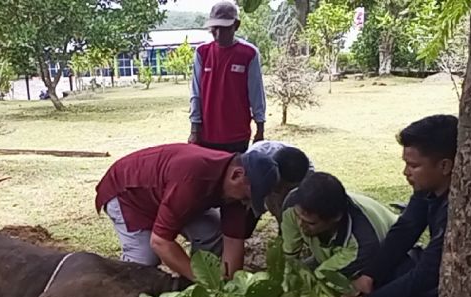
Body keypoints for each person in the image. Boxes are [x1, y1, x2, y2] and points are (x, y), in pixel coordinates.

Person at [345, 115, 457, 297]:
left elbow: (428, 273)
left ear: (445, 166)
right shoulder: (427, 191)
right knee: (390, 273)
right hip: (441, 273)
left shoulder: (458, 210)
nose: (405, 172)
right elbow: (404, 230)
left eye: (414, 165)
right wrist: (370, 275)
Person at [95, 143, 278, 280]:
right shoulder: (193, 178)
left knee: (212, 233)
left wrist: (231, 284)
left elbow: (233, 242)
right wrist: (204, 281)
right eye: (248, 197)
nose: (246, 203)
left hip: (168, 195)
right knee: (144, 262)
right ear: (236, 175)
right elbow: (160, 242)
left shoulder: (238, 190)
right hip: (128, 194)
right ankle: (117, 291)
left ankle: (196, 284)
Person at [281, 172, 398, 280]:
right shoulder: (292, 203)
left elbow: (326, 275)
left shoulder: (363, 240)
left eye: (311, 223)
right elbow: (289, 254)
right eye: (298, 217)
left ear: (335, 218)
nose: (300, 225)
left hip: (386, 258)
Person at [189, 1, 266, 154]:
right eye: (214, 28)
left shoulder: (249, 54)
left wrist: (260, 128)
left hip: (237, 137)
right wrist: (194, 129)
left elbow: (256, 94)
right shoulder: (202, 52)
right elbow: (196, 94)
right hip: (206, 135)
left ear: (236, 25)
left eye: (223, 28)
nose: (218, 34)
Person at [247, 140, 313, 221]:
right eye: (279, 187)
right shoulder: (254, 163)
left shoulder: (307, 174)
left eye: (288, 188)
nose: (282, 192)